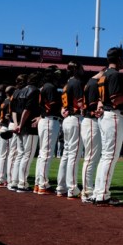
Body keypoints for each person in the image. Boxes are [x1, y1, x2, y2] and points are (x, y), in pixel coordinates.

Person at [94, 47, 123, 206]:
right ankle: (103, 195)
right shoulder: (114, 74)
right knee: (109, 157)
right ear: (119, 58)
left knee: (105, 156)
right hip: (113, 115)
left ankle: (98, 192)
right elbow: (115, 99)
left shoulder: (103, 75)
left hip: (106, 116)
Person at [56, 62, 85, 199]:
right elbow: (81, 104)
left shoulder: (67, 85)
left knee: (66, 154)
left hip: (67, 120)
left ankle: (61, 186)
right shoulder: (76, 82)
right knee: (73, 154)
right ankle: (72, 188)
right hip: (75, 119)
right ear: (76, 69)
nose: (83, 69)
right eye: (81, 67)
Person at [35, 66, 63, 195]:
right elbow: (52, 105)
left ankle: (38, 183)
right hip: (50, 120)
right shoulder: (50, 87)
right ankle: (43, 185)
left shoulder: (44, 87)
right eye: (56, 74)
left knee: (42, 154)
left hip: (45, 120)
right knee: (46, 154)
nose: (58, 77)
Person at [12, 72, 41, 193]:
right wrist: (21, 124)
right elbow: (27, 110)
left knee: (20, 155)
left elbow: (14, 110)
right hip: (28, 126)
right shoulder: (34, 91)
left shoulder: (20, 91)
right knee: (27, 155)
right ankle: (22, 184)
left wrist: (16, 124)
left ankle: (14, 182)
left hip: (19, 126)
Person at [80, 68, 104, 203]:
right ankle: (87, 192)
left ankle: (89, 190)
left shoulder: (90, 82)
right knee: (90, 158)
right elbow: (94, 106)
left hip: (90, 121)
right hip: (91, 122)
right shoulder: (94, 84)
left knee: (92, 157)